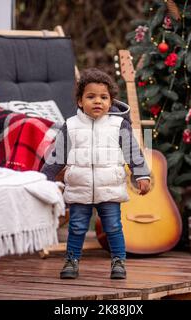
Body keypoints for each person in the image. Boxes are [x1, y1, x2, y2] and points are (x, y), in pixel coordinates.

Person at [41, 68, 151, 280]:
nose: (97, 101)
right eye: (91, 96)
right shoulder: (71, 126)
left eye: (103, 97)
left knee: (113, 226)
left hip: (109, 188)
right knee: (77, 227)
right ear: (80, 101)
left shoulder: (120, 125)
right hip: (79, 188)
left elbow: (133, 153)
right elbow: (57, 156)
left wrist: (141, 175)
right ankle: (72, 261)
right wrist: (42, 179)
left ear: (111, 101)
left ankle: (118, 261)